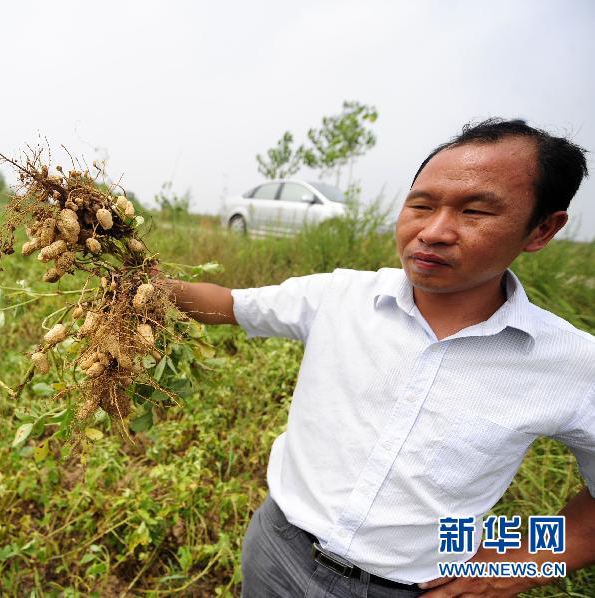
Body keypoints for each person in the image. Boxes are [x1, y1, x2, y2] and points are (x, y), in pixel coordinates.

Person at [156, 119, 594, 597]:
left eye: (474, 211)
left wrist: (525, 563)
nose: (434, 231)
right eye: (420, 205)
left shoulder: (571, 363)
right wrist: (136, 280)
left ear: (542, 229)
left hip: (407, 588)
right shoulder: (341, 295)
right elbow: (228, 304)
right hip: (278, 548)